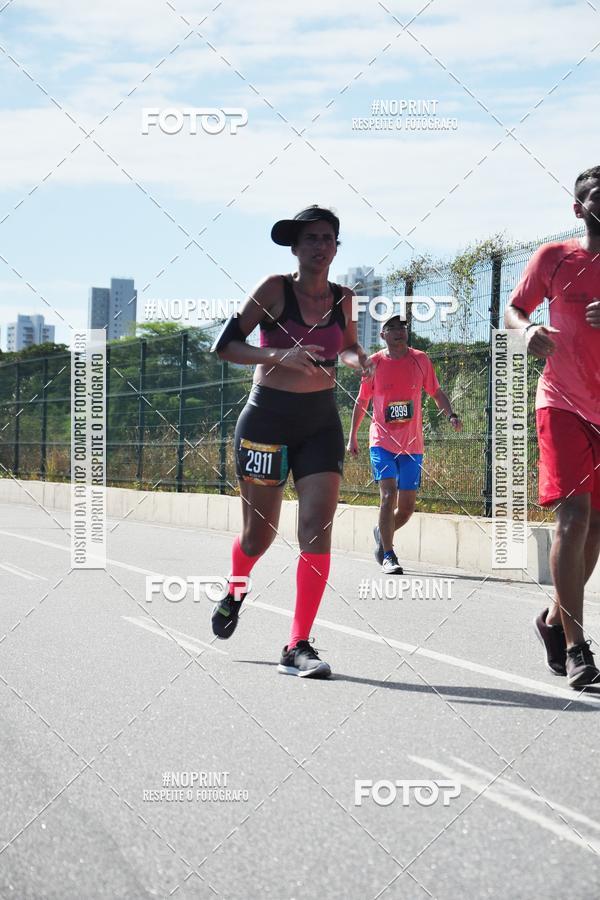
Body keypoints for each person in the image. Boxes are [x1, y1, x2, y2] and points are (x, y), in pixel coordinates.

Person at [210, 205, 371, 678]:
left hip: (320, 422)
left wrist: (359, 359)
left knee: (317, 528)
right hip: (267, 420)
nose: (321, 246)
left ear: (337, 247)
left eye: (329, 238)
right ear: (296, 247)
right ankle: (236, 588)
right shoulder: (274, 289)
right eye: (312, 238)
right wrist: (279, 353)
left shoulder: (346, 298)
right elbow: (227, 346)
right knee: (259, 537)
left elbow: (345, 347)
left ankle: (297, 643)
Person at [505, 165, 600, 689]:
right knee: (575, 518)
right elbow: (514, 311)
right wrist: (529, 330)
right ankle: (578, 645)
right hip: (562, 402)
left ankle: (550, 621)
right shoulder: (555, 257)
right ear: (579, 207)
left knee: (597, 530)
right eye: (598, 198)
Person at [347, 314, 462, 574]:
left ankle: (381, 531)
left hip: (411, 445)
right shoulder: (373, 363)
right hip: (381, 442)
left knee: (407, 509)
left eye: (403, 327)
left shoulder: (420, 360)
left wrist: (451, 414)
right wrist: (352, 436)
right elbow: (362, 401)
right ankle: (388, 555)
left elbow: (436, 392)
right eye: (393, 328)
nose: (399, 331)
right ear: (383, 335)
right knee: (388, 495)